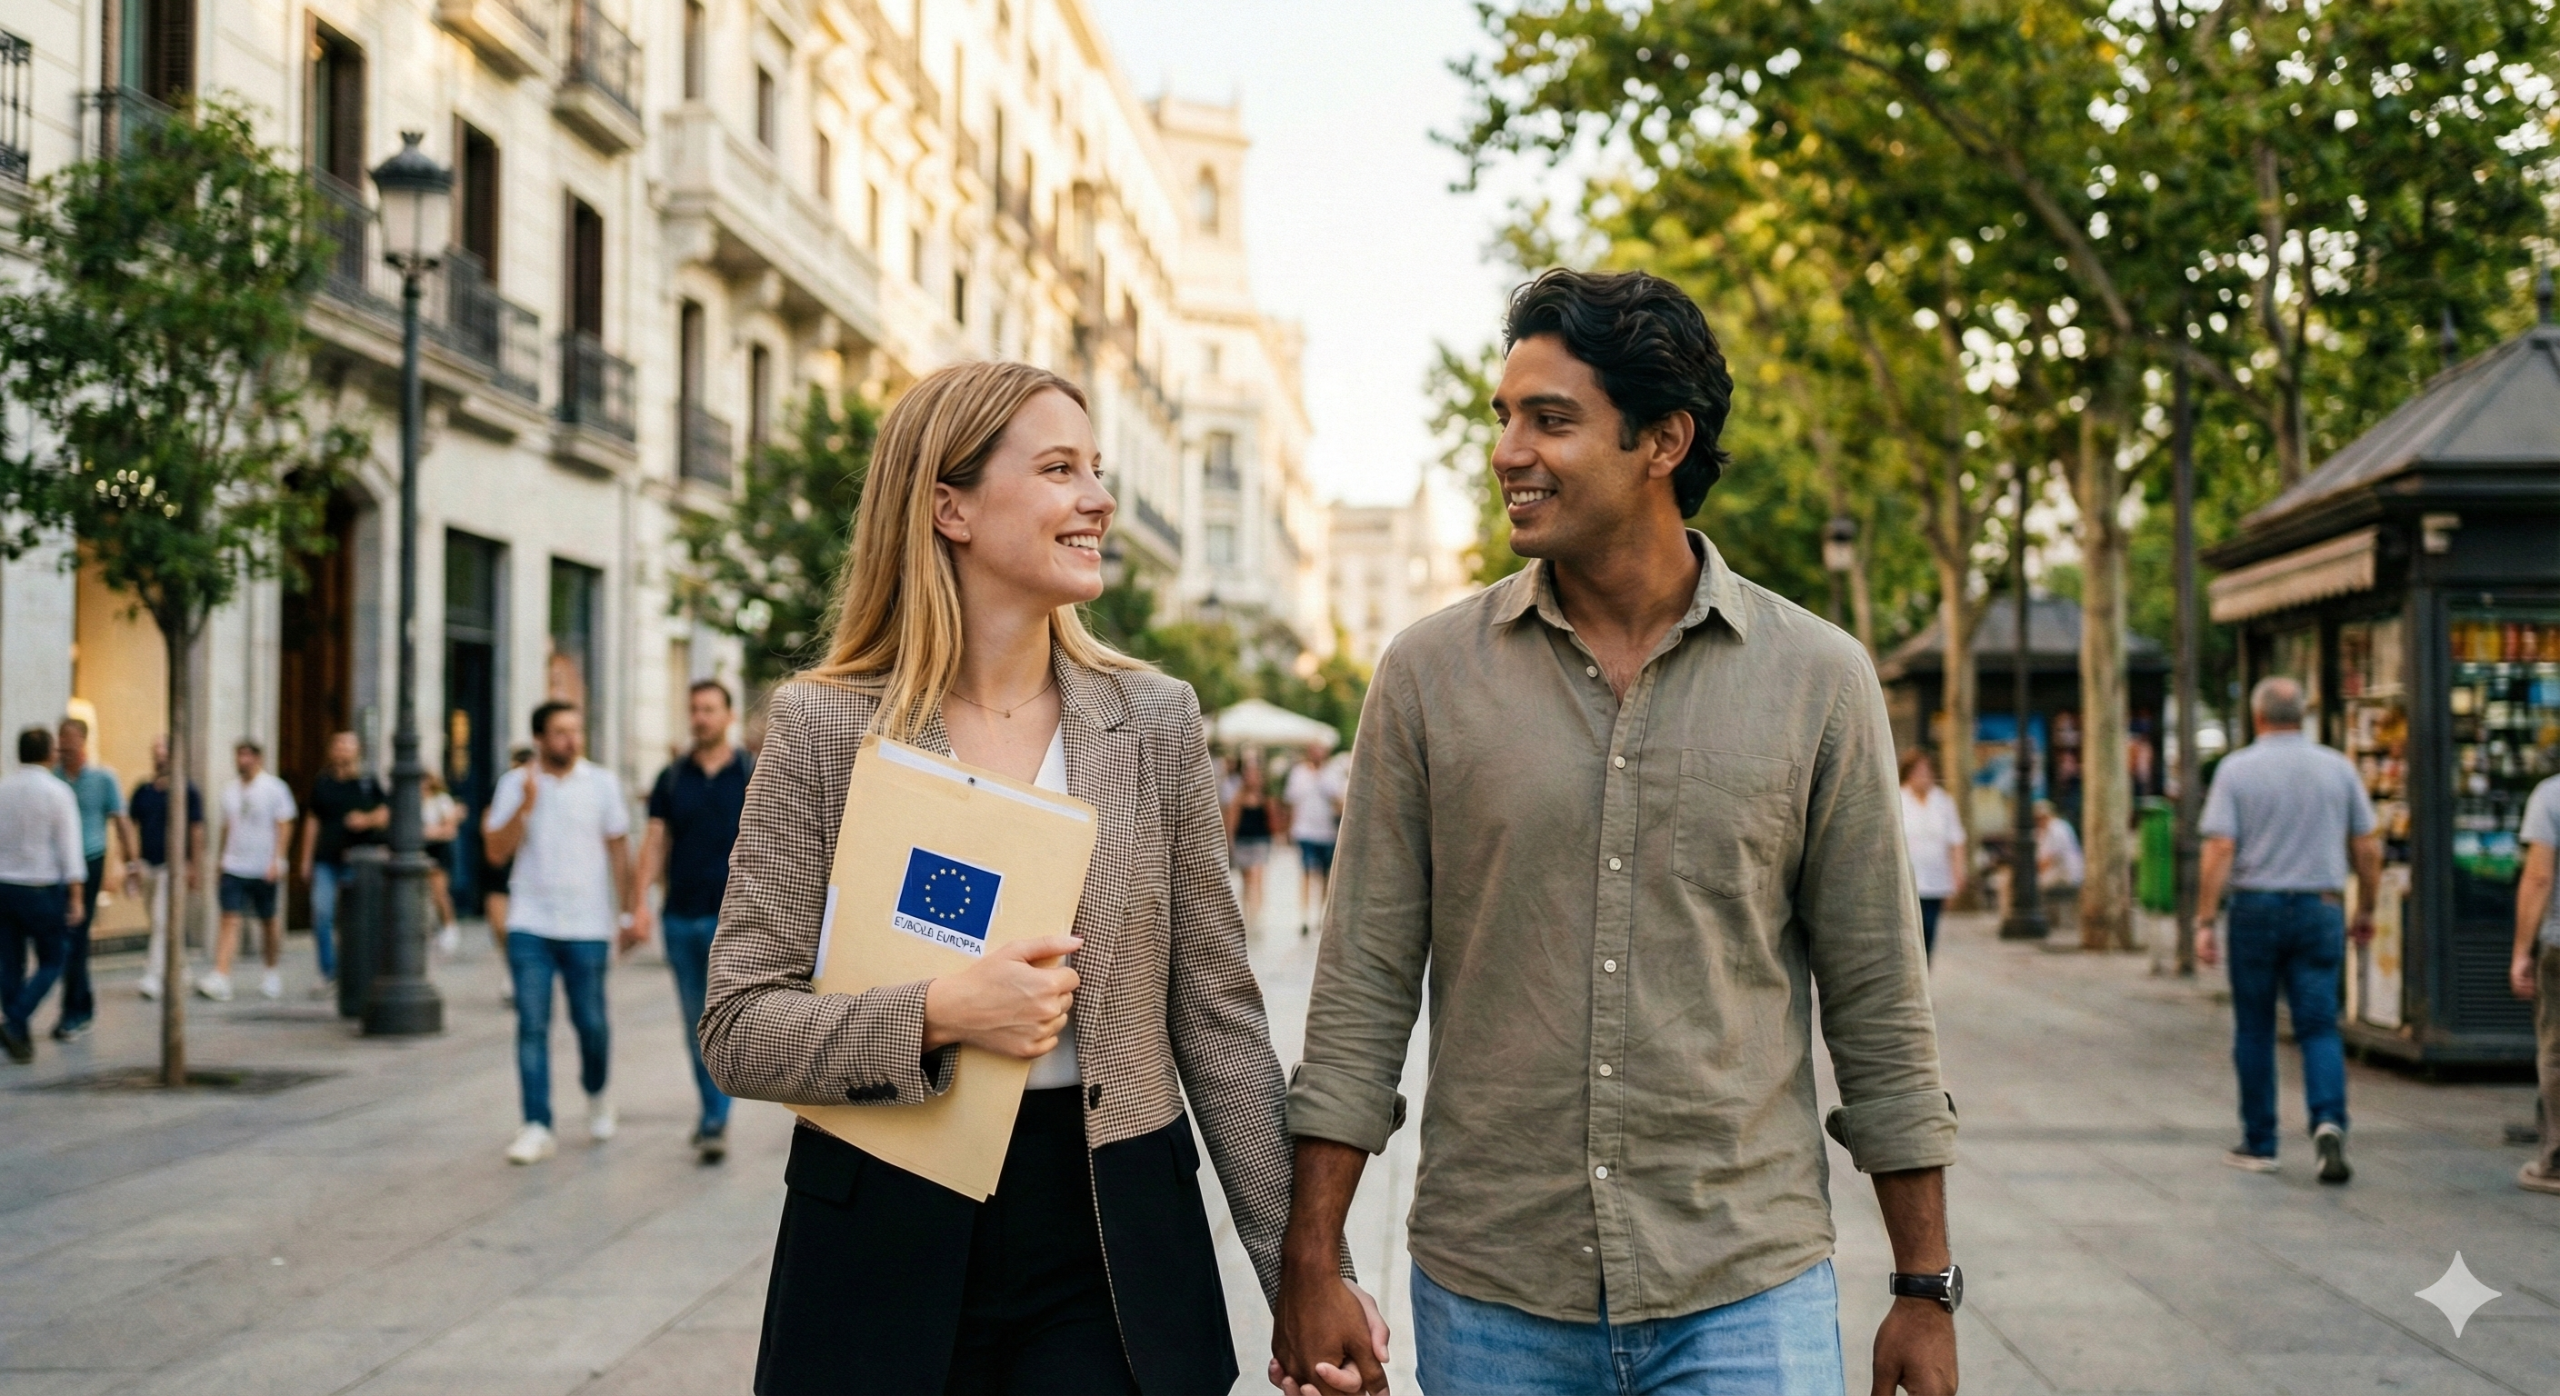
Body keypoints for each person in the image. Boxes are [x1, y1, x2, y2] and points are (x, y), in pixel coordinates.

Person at [1274, 270, 1959, 1396]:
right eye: (1502, 417)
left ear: (1662, 440)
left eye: (1550, 419)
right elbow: (1360, 991)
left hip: (1744, 1289)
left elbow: (1881, 1000)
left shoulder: (1818, 681)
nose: (1507, 450)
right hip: (1494, 1291)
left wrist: (1922, 1285)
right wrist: (1313, 1256)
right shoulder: (1426, 677)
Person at [699, 360, 1378, 1395]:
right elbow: (739, 1025)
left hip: (1109, 1226)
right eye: (1060, 468)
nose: (1098, 499)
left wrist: (1311, 1274)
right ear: (948, 506)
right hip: (879, 1223)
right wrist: (938, 1010)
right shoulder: (825, 726)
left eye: (1095, 469)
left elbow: (1219, 1024)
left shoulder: (1152, 722)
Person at [2196, 675, 2378, 1184]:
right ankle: (2327, 1121)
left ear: (2258, 717)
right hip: (2321, 907)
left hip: (2255, 908)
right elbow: (2367, 846)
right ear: (2304, 715)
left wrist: (2205, 919)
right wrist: (2366, 907)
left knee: (2254, 1027)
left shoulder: (2237, 770)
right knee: (2318, 1025)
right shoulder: (2337, 768)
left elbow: (2219, 849)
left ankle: (2260, 1141)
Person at [483, 702, 638, 1165]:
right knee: (531, 1025)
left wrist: (629, 914)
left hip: (587, 925)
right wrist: (526, 807)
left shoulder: (602, 783)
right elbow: (495, 852)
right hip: (530, 922)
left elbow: (618, 851)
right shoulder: (515, 784)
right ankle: (536, 1124)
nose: (570, 739)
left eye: (575, 730)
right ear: (540, 739)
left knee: (591, 1025)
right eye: (560, 732)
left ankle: (596, 1092)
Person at [637, 678, 752, 1164]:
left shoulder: (752, 772)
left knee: (724, 1019)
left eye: (710, 709)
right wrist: (637, 904)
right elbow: (656, 840)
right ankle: (711, 1110)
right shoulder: (671, 777)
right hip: (680, 918)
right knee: (695, 1023)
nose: (700, 718)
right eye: (695, 710)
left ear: (729, 716)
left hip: (734, 921)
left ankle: (714, 1118)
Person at [0, 727, 86, 1064]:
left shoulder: (3, 789)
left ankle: (17, 1033)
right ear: (48, 753)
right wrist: (76, 895)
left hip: (4, 885)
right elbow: (69, 848)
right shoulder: (58, 792)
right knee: (54, 957)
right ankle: (16, 1018)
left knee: (10, 962)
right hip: (41, 887)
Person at [50, 717, 133, 1040]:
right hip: (55, 867)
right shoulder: (53, 778)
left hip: (89, 860)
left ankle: (75, 1011)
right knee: (67, 939)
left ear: (83, 743)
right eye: (61, 744)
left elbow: (121, 821)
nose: (65, 750)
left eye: (70, 744)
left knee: (75, 934)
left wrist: (130, 862)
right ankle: (80, 1006)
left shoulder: (103, 778)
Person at [203, 740, 298, 1002]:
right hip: (234, 864)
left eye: (246, 755)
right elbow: (226, 826)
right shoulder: (229, 791)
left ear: (258, 758)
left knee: (268, 921)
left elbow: (284, 824)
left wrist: (277, 860)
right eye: (238, 755)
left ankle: (271, 971)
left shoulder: (274, 788)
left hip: (263, 865)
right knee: (229, 918)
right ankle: (221, 974)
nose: (242, 761)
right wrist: (221, 859)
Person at [298, 731, 389, 990]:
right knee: (322, 912)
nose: (342, 749)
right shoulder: (323, 783)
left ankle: (357, 970)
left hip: (360, 861)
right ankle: (330, 971)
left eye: (348, 745)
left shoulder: (368, 782)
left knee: (357, 917)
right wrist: (306, 859)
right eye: (338, 744)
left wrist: (366, 819)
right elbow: (312, 820)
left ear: (358, 750)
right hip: (326, 859)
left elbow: (386, 812)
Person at [2509, 767, 2560, 1195]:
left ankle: (2556, 1162)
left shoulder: (2551, 795)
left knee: (2557, 1050)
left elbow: (2540, 876)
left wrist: (2521, 951)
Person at [128, 737, 205, 1001]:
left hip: (174, 866)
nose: (160, 758)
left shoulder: (187, 790)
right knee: (159, 922)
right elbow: (130, 826)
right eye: (156, 753)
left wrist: (194, 865)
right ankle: (180, 967)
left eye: (164, 753)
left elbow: (196, 831)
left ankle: (153, 976)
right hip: (148, 864)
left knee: (162, 921)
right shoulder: (143, 791)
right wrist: (129, 863)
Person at [1899, 749, 1967, 962]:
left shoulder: (1943, 802)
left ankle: (1923, 979)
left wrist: (1958, 872)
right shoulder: (1898, 798)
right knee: (1907, 933)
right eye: (1918, 771)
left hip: (1935, 878)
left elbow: (1955, 840)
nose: (1923, 776)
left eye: (1927, 771)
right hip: (1906, 878)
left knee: (1928, 929)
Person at [483, 744, 532, 1003]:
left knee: (518, 927)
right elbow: (488, 821)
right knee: (500, 925)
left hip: (528, 863)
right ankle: (513, 968)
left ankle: (520, 974)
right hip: (502, 863)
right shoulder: (506, 785)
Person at [1282, 740, 1345, 938]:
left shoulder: (1332, 773)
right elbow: (1292, 801)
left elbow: (1340, 800)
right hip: (1305, 830)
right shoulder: (1299, 773)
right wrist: (1290, 829)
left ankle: (1320, 915)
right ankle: (1305, 917)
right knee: (1307, 872)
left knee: (1325, 875)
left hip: (1327, 831)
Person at [1226, 751, 1277, 930]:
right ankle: (1248, 912)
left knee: (1257, 876)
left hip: (1260, 841)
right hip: (1243, 841)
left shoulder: (1265, 797)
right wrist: (1230, 842)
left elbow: (1272, 820)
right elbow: (1232, 821)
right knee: (1246, 880)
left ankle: (1256, 914)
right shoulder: (1238, 797)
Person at [421, 771, 462, 953]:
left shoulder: (441, 800)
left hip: (438, 850)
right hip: (419, 849)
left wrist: (429, 832)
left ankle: (449, 927)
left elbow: (450, 829)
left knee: (439, 893)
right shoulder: (411, 800)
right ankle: (429, 930)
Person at [2035, 800, 2085, 897]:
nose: (2039, 821)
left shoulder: (2057, 828)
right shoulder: (2043, 830)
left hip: (2066, 875)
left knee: (2028, 883)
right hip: (2057, 872)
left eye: (2040, 818)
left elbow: (2048, 861)